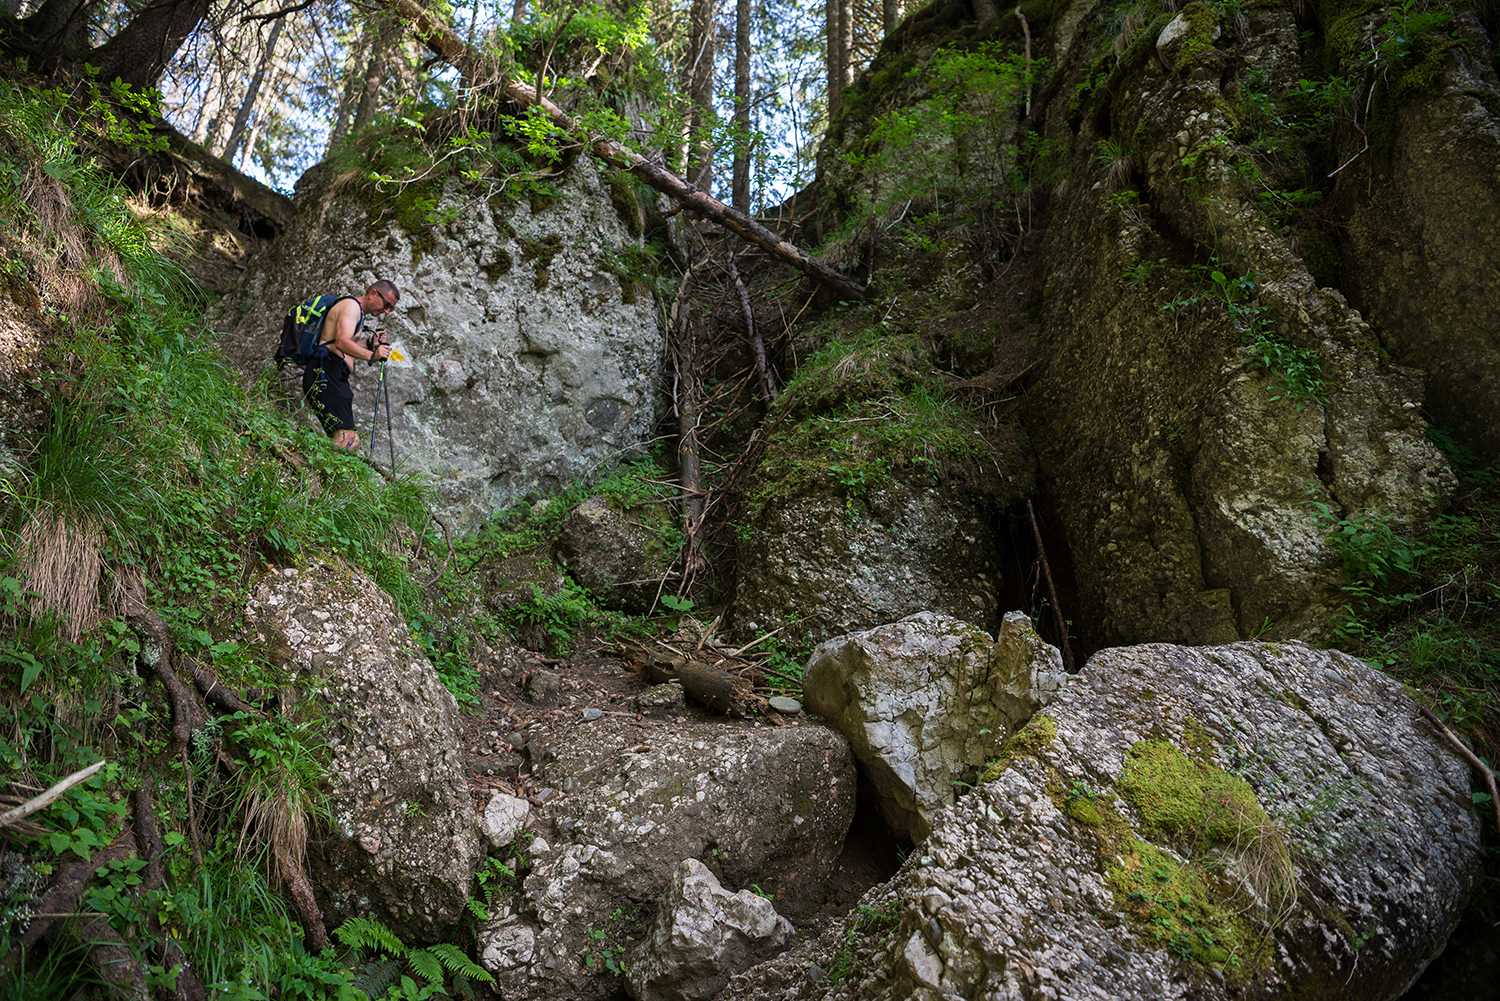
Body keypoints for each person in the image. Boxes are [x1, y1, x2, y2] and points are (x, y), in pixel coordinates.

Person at [302, 280, 398, 451]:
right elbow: (341, 342)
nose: (387, 311)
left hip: (334, 374)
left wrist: (369, 344)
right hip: (326, 372)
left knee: (349, 439)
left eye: (391, 308)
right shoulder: (351, 307)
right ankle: (317, 471)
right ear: (373, 294)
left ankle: (323, 471)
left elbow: (340, 342)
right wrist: (372, 356)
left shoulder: (356, 312)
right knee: (348, 438)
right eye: (386, 304)